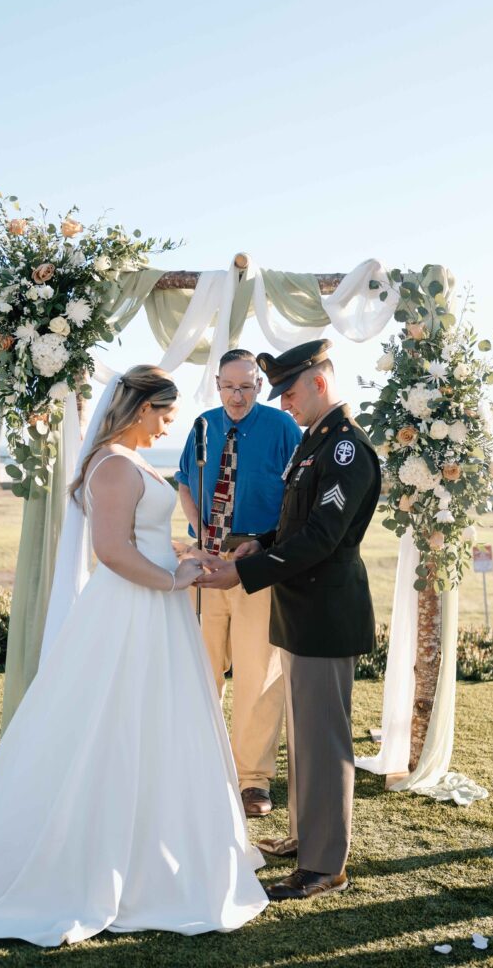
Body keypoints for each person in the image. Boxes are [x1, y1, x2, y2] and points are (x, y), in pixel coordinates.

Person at [0, 366, 267, 954]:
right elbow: (110, 552)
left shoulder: (128, 461)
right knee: (113, 720)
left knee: (156, 722)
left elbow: (139, 538)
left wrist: (181, 552)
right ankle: (101, 850)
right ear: (139, 408)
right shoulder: (113, 465)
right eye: (163, 416)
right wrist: (175, 579)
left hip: (153, 607)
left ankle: (158, 840)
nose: (165, 428)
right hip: (133, 610)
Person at [199, 341, 381, 901]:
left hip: (326, 612)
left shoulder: (346, 449)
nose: (286, 404)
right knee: (304, 740)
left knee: (324, 742)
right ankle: (307, 838)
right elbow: (296, 527)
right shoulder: (313, 444)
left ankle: (325, 864)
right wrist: (260, 543)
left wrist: (247, 574)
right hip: (301, 610)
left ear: (320, 384)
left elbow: (324, 538)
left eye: (292, 393)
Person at [176, 349, 302, 818]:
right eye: (230, 386)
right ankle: (201, 766)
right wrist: (199, 533)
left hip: (257, 565)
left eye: (247, 386)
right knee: (202, 671)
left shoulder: (283, 429)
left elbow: (298, 493)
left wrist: (269, 547)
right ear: (217, 385)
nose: (238, 395)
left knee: (257, 675)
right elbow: (185, 483)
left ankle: (253, 781)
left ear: (258, 386)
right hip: (207, 565)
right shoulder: (203, 425)